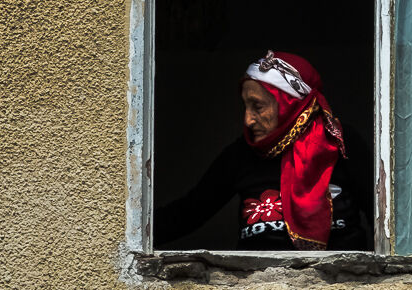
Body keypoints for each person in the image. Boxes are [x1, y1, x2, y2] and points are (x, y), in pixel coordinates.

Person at [156, 50, 371, 250]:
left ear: (288, 104)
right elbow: (188, 213)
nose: (248, 120)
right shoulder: (241, 154)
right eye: (245, 107)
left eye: (257, 107)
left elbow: (385, 213)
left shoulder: (339, 141)